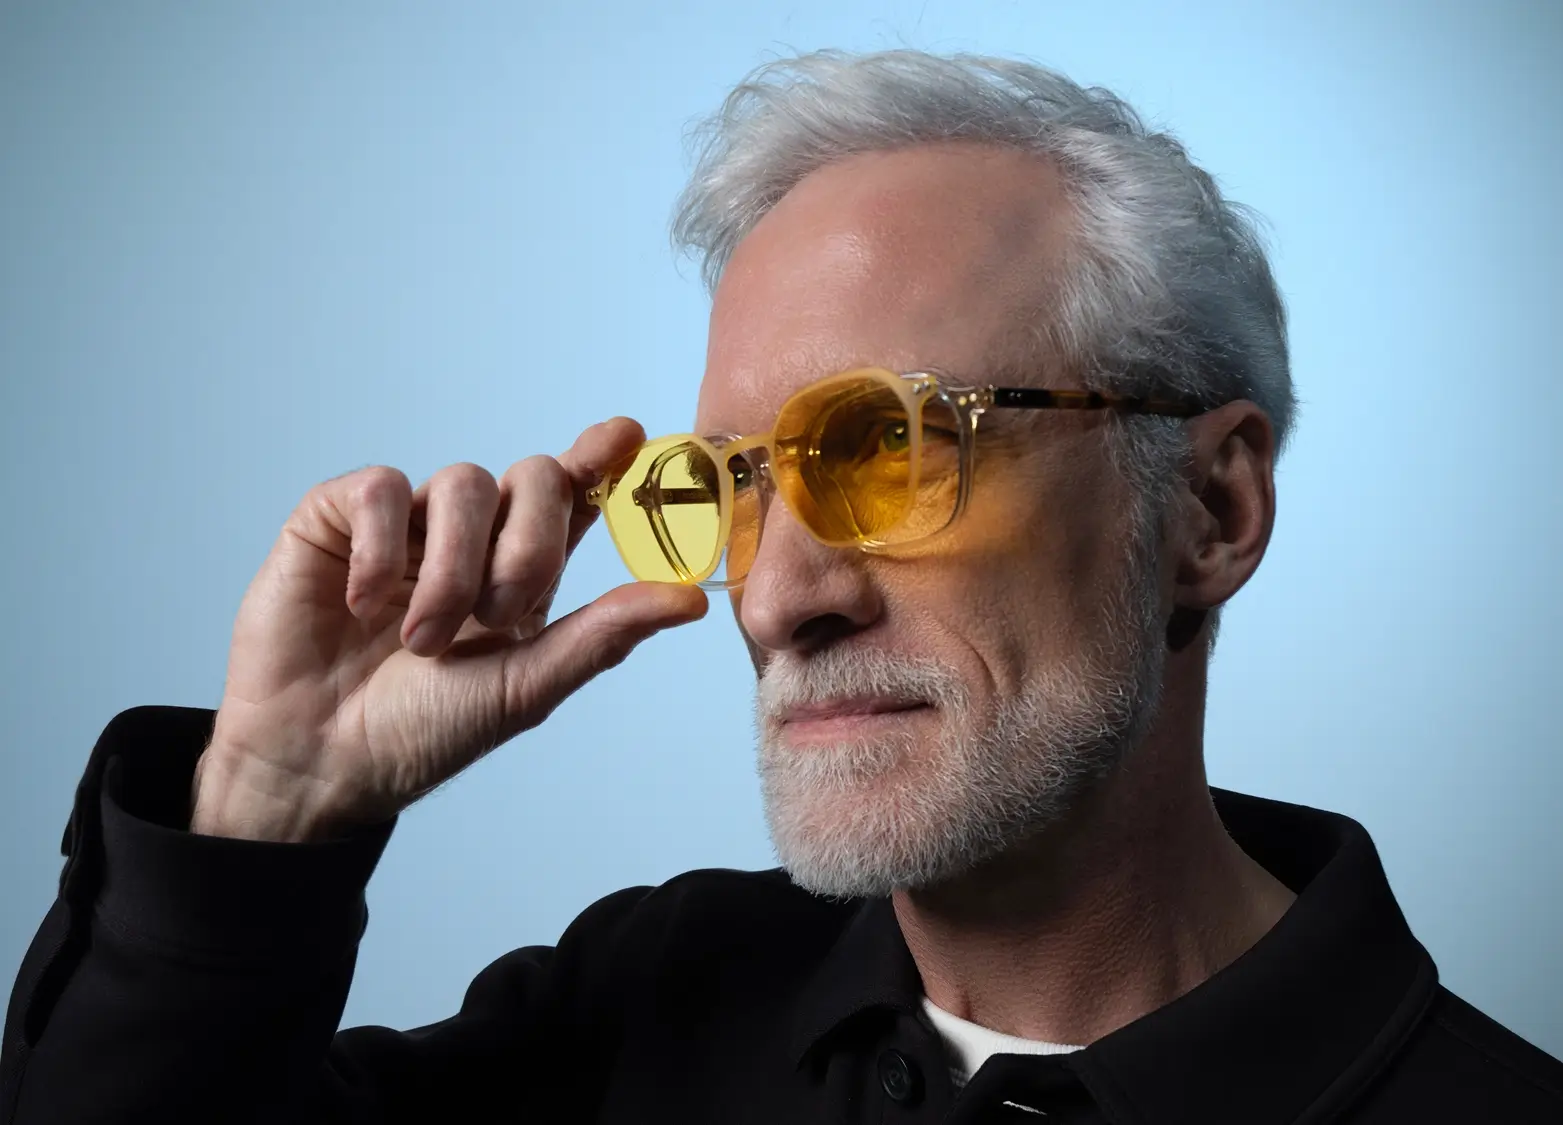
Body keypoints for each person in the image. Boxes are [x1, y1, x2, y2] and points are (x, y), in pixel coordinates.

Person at [2, 48, 1558, 1125]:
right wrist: (272, 808)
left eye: (885, 448)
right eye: (729, 484)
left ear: (1207, 511)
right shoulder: (634, 1009)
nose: (773, 601)